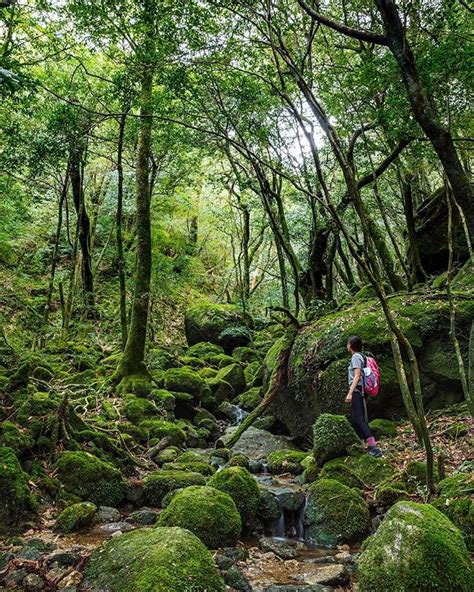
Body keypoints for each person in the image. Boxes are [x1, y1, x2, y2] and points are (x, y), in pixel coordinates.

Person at [345, 335, 382, 457]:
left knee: (360, 419)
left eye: (347, 343)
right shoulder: (361, 356)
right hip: (360, 390)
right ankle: (363, 444)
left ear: (350, 345)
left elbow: (357, 376)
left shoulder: (356, 357)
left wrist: (350, 392)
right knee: (356, 419)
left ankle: (373, 447)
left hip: (357, 390)